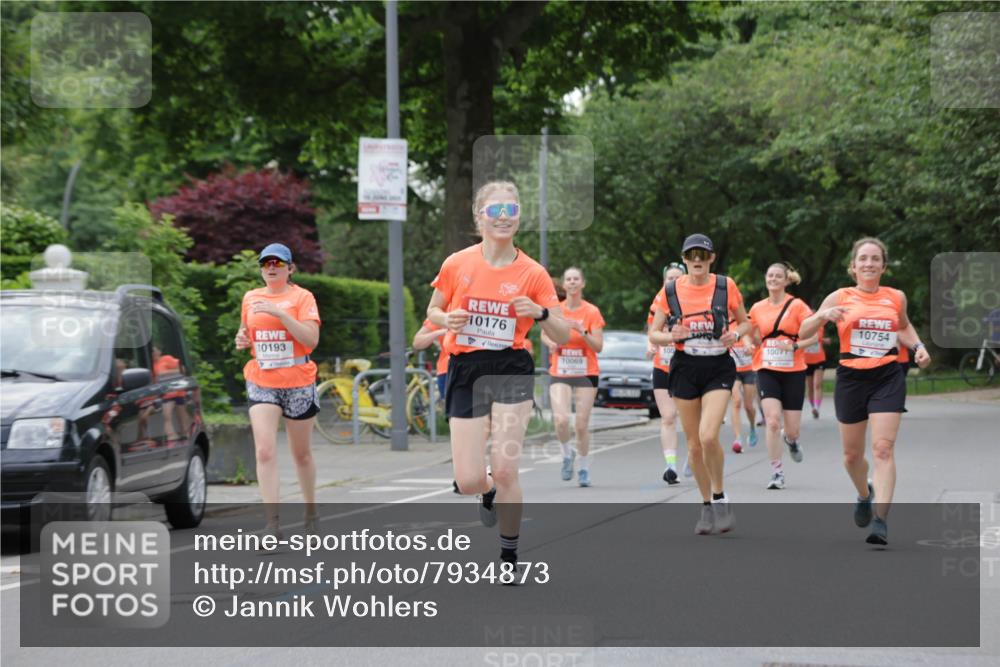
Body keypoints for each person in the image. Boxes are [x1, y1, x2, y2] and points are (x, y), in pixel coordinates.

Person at [426, 180, 569, 575]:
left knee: (506, 468)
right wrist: (446, 319)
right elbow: (433, 310)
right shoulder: (457, 263)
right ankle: (486, 491)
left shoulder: (533, 273)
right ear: (480, 217)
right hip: (466, 367)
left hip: (510, 367)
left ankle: (509, 555)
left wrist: (540, 313)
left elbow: (562, 333)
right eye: (495, 210)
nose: (503, 217)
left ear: (519, 217)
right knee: (469, 479)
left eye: (511, 210)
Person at [799, 237, 930, 546]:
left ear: (883, 266)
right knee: (851, 456)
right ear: (853, 266)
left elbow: (903, 326)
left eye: (875, 259)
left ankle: (881, 520)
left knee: (883, 449)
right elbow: (804, 330)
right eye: (863, 259)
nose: (869, 263)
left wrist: (919, 346)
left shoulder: (895, 297)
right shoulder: (840, 296)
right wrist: (821, 316)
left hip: (887, 376)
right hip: (851, 378)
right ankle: (863, 494)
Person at [648, 234, 750, 535]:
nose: (697, 260)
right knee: (693, 446)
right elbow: (654, 333)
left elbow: (745, 322)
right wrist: (672, 336)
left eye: (702, 255)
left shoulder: (725, 286)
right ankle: (706, 504)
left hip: (718, 366)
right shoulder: (670, 290)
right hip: (685, 368)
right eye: (691, 255)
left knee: (708, 436)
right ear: (684, 259)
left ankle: (720, 497)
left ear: (711, 258)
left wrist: (736, 334)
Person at [235, 243, 321, 537]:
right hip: (262, 380)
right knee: (264, 451)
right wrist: (242, 338)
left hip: (298, 381)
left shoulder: (302, 297)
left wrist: (280, 314)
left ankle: (311, 511)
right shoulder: (250, 297)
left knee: (301, 454)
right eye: (266, 263)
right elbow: (246, 331)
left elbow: (310, 340)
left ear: (290, 269)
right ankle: (272, 525)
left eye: (278, 263)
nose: (271, 268)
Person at [748, 263, 819, 490]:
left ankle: (791, 440)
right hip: (766, 368)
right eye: (770, 275)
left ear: (786, 280)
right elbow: (747, 332)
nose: (773, 279)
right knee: (772, 421)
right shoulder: (757, 308)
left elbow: (815, 336)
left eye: (778, 276)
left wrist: (795, 346)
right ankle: (777, 472)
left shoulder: (797, 306)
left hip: (793, 371)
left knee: (791, 429)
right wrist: (749, 344)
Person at [541, 267, 605, 487]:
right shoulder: (556, 310)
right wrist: (551, 343)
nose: (572, 282)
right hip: (561, 371)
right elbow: (544, 334)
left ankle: (584, 468)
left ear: (582, 283)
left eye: (576, 279)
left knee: (581, 424)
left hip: (586, 373)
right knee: (561, 420)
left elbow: (598, 346)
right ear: (564, 285)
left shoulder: (592, 312)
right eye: (568, 279)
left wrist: (582, 331)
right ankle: (567, 454)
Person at [647, 263, 685, 483]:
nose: (673, 282)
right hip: (663, 366)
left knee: (692, 420)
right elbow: (652, 333)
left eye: (678, 278)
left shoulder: (693, 303)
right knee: (668, 417)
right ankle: (671, 466)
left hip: (688, 367)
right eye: (670, 278)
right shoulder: (657, 305)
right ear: (664, 282)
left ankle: (695, 457)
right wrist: (650, 346)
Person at [728, 321, 758, 453]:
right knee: (736, 401)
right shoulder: (725, 323)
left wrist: (750, 347)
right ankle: (738, 438)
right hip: (733, 371)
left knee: (748, 406)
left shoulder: (747, 322)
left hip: (749, 369)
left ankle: (752, 427)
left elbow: (756, 341)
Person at [412, 319, 450, 403]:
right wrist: (440, 332)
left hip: (478, 366)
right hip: (447, 370)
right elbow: (417, 342)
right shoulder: (440, 313)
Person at [804, 330, 827, 419]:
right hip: (806, 360)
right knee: (810, 387)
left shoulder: (820, 325)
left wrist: (823, 340)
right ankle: (813, 406)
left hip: (819, 359)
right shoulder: (802, 325)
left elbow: (819, 338)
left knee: (817, 384)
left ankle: (817, 408)